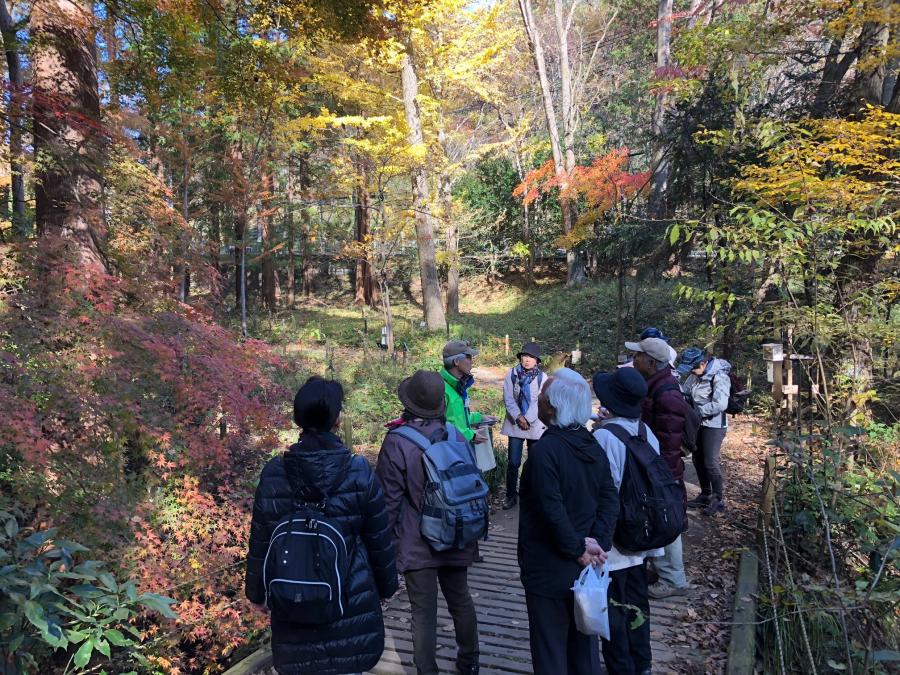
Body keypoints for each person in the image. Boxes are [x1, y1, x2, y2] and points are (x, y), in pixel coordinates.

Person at [245, 376, 398, 675]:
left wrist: (256, 592)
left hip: (293, 601)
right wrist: (386, 586)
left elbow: (261, 538)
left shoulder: (276, 472)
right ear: (337, 420)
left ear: (298, 418)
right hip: (349, 599)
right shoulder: (358, 471)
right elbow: (378, 537)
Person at [375, 370, 480, 675]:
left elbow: (389, 502)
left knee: (423, 611)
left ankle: (426, 670)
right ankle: (470, 662)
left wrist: (384, 547)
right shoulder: (456, 436)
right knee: (460, 599)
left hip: (417, 540)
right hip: (458, 531)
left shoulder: (397, 441)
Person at [518, 368, 619, 675]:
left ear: (554, 407)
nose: (539, 400)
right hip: (586, 566)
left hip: (550, 567)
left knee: (550, 650)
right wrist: (596, 543)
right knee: (584, 646)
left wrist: (580, 546)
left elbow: (551, 508)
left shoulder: (545, 451)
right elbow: (610, 498)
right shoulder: (591, 444)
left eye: (543, 396)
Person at [591, 367, 664, 675]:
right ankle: (642, 663)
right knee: (638, 604)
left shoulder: (605, 437)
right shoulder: (648, 433)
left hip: (615, 543)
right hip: (642, 537)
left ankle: (620, 667)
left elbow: (603, 492)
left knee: (614, 609)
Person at [627, 337, 690, 599]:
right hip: (656, 467)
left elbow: (669, 441)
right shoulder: (655, 385)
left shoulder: (667, 393)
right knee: (657, 519)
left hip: (662, 470)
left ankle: (673, 579)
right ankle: (662, 570)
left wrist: (659, 473)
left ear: (651, 362)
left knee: (666, 521)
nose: (634, 359)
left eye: (639, 355)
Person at [677, 347, 731, 515]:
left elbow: (721, 404)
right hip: (697, 424)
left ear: (703, 363)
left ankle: (718, 500)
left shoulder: (719, 376)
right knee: (697, 459)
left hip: (714, 426)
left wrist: (697, 412)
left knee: (710, 462)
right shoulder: (695, 376)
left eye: (693, 368)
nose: (691, 372)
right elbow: (685, 391)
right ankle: (705, 494)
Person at [500, 342, 547, 510]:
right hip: (515, 424)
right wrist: (519, 417)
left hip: (534, 425)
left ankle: (531, 495)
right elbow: (508, 397)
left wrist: (528, 418)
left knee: (534, 462)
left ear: (537, 361)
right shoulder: (512, 374)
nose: (527, 360)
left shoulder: (543, 378)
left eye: (531, 357)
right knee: (513, 462)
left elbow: (540, 400)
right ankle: (511, 496)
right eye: (524, 356)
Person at [440, 340, 491, 444]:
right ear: (456, 362)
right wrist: (470, 435)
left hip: (459, 447)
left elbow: (458, 418)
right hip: (450, 450)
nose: (472, 361)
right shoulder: (440, 388)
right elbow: (441, 425)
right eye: (468, 357)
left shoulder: (458, 385)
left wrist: (479, 418)